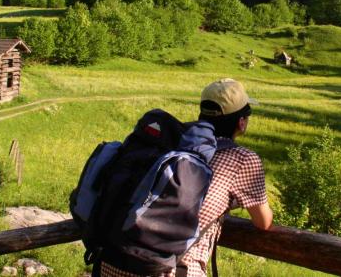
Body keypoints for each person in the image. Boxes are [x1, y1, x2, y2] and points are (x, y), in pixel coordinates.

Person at [100, 78, 273, 277]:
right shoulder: (243, 159)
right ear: (241, 123)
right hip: (170, 271)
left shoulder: (174, 140)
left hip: (113, 262)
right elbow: (264, 222)